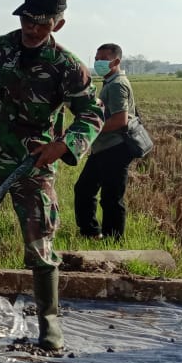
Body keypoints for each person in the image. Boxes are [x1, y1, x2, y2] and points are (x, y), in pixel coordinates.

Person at [0, 0, 104, 351]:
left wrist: (63, 145)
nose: (32, 29)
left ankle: (49, 323)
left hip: (34, 165)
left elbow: (92, 114)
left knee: (39, 243)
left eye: (41, 24)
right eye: (27, 20)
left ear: (58, 25)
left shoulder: (67, 67)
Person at [74, 44, 136, 240]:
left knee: (111, 198)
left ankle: (113, 240)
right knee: (84, 190)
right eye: (96, 58)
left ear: (116, 61)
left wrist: (90, 130)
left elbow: (120, 120)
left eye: (103, 59)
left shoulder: (117, 84)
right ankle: (91, 233)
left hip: (115, 148)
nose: (98, 62)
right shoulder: (110, 82)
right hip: (104, 148)